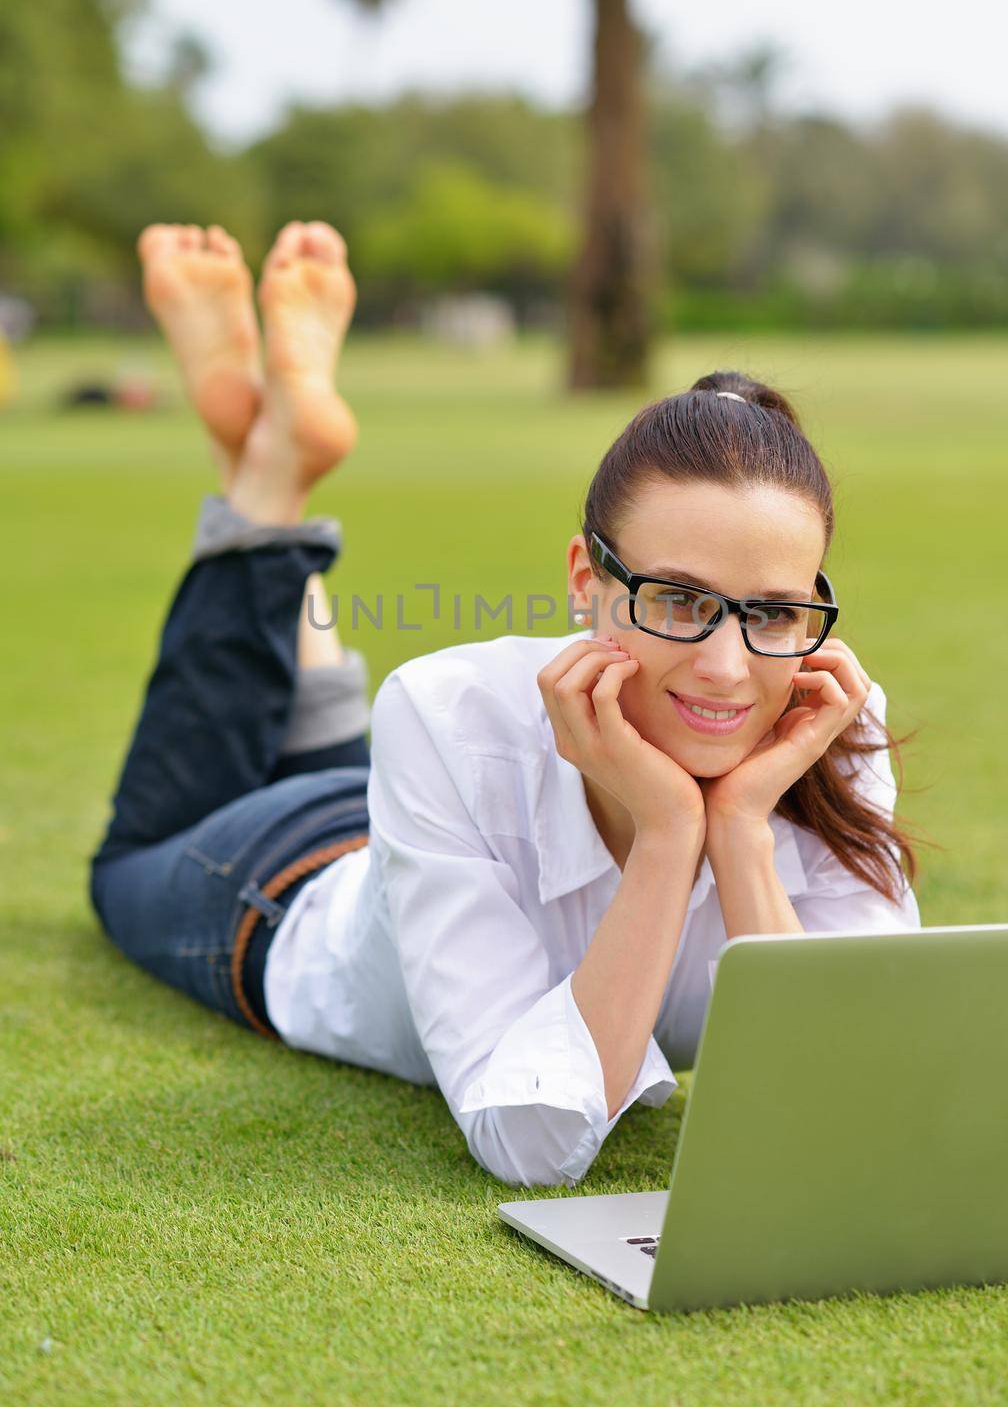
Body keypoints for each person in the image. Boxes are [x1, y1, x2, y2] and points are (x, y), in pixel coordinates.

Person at [90, 219, 921, 1190]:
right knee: (127, 866)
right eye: (681, 601)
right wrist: (665, 835)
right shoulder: (449, 712)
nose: (731, 670)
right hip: (282, 882)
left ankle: (261, 453)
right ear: (586, 577)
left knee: (344, 758)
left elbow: (836, 1090)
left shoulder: (826, 718)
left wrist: (734, 825)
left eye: (775, 612)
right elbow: (529, 1142)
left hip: (412, 820)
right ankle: (269, 478)